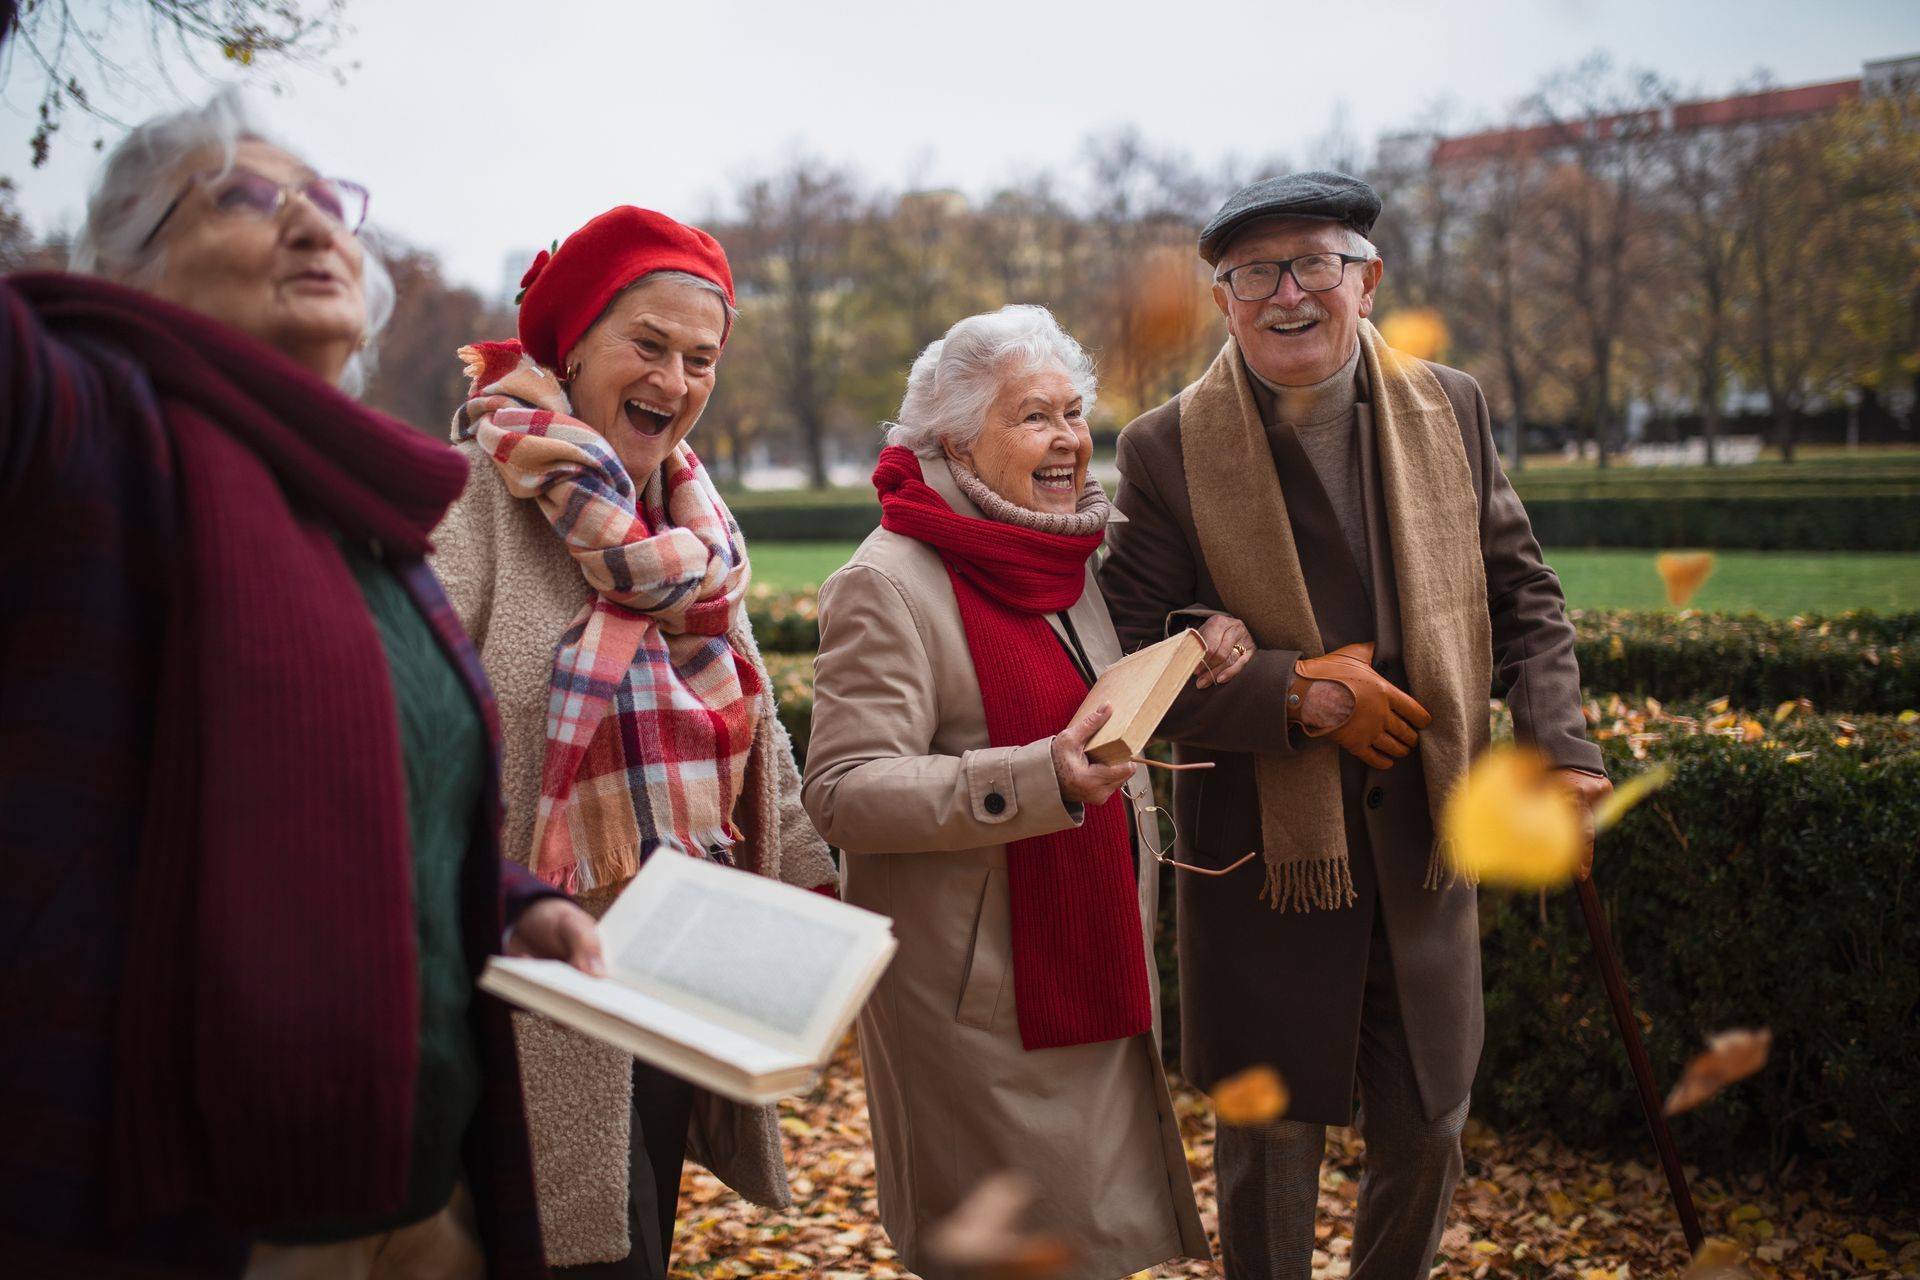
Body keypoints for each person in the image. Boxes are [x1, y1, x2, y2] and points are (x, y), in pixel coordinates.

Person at [0, 89, 604, 1278]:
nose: (314, 225)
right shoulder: (81, 429)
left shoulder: (363, 510)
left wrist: (510, 900)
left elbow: (390, 785)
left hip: (425, 1193)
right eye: (243, 193)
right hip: (193, 1211)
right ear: (128, 263)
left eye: (331, 204)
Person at [1097, 172, 1615, 1280]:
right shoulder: (1163, 447)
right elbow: (1125, 660)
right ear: (1224, 299)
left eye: (1313, 265)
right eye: (1252, 274)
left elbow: (1524, 598)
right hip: (1269, 868)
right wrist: (1294, 693)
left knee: (1429, 1129)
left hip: (1426, 848)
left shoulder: (1453, 406)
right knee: (1270, 1157)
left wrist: (1563, 746)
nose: (1287, 293)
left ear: (1366, 280)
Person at [430, 206, 837, 1278]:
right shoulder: (471, 502)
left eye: (700, 357)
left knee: (634, 1241)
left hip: (671, 966)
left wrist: (818, 882)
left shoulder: (689, 527)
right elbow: (411, 747)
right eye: (648, 345)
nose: (677, 377)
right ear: (573, 346)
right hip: (527, 985)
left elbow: (759, 740)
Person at [801, 306, 1213, 1280]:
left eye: (1075, 412)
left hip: (1088, 967)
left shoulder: (1058, 557)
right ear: (953, 438)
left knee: (1086, 1252)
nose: (1071, 438)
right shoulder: (889, 582)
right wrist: (1038, 778)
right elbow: (844, 791)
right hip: (978, 1011)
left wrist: (1201, 644)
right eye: (1036, 416)